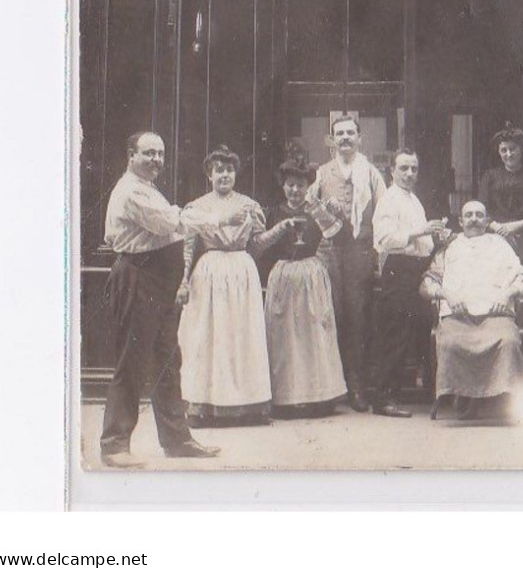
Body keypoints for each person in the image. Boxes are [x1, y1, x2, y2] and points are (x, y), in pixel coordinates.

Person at [100, 130, 245, 467]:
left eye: (161, 154)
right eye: (148, 153)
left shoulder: (147, 189)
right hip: (138, 277)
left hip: (156, 281)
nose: (156, 160)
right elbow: (171, 222)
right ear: (131, 155)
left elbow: (175, 224)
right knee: (131, 361)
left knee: (167, 361)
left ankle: (177, 440)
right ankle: (113, 444)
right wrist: (221, 216)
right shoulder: (132, 191)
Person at [176, 145, 275, 426]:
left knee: (242, 337)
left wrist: (276, 233)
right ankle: (202, 406)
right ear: (209, 174)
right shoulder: (197, 207)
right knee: (207, 337)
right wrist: (183, 280)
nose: (224, 175)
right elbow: (188, 247)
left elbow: (256, 244)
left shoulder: (249, 205)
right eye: (219, 169)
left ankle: (249, 407)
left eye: (229, 169)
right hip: (208, 274)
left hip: (242, 272)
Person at [420, 200, 523, 421]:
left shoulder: (500, 245)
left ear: (487, 220)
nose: (473, 219)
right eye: (468, 215)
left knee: (507, 341)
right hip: (458, 317)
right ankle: (464, 395)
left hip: (496, 314)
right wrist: (447, 295)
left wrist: (508, 293)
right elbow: (426, 285)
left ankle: (500, 398)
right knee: (450, 343)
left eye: (479, 215)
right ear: (460, 221)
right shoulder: (450, 248)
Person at [261, 154, 347, 417]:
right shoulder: (273, 212)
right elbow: (262, 243)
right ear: (283, 186)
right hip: (284, 273)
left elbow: (334, 232)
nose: (295, 190)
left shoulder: (316, 210)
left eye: (300, 185)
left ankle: (318, 397)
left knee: (313, 333)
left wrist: (323, 208)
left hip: (311, 274)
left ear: (308, 186)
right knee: (284, 335)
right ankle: (286, 398)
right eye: (290, 185)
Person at [311, 114, 387, 412]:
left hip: (360, 250)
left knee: (358, 317)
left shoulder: (370, 173)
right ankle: (333, 385)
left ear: (359, 138)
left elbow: (383, 212)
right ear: (331, 139)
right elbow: (310, 205)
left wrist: (378, 253)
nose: (344, 138)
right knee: (333, 314)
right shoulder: (322, 172)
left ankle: (357, 386)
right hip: (330, 250)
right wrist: (325, 214)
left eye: (350, 133)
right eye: (339, 133)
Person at [370, 149, 448, 417]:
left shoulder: (413, 199)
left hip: (417, 268)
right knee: (395, 332)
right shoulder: (388, 200)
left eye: (414, 169)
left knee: (419, 329)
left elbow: (421, 242)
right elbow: (383, 240)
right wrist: (422, 230)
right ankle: (383, 399)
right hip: (399, 270)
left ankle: (422, 391)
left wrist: (437, 237)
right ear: (391, 170)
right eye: (403, 168)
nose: (409, 174)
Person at [478, 124, 523, 365]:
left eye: (512, 150)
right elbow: (482, 211)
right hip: (496, 240)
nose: (508, 155)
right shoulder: (490, 176)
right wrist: (498, 228)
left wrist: (514, 227)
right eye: (503, 150)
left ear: (522, 150)